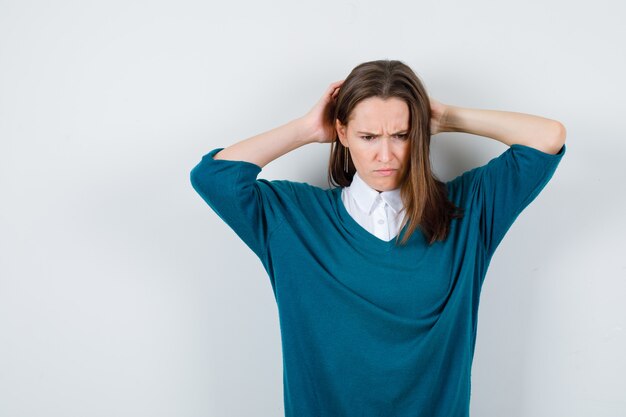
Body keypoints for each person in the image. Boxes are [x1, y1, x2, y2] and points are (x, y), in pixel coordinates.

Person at [189, 59, 566, 417]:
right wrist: (307, 129)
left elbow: (548, 137)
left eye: (401, 135)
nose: (385, 155)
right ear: (342, 133)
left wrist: (446, 117)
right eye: (368, 136)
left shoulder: (468, 211)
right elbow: (214, 178)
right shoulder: (293, 219)